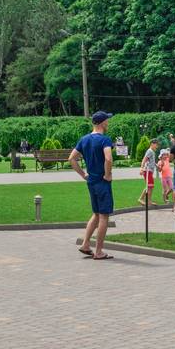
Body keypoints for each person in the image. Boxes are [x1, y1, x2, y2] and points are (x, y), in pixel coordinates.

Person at [69, 111, 115, 260]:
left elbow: (72, 159)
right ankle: (99, 251)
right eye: (107, 120)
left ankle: (85, 244)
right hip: (102, 182)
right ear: (102, 123)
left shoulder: (84, 139)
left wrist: (84, 175)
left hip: (91, 182)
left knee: (96, 214)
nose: (108, 122)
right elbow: (108, 159)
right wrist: (107, 175)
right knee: (103, 216)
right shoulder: (105, 140)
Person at [137, 138, 161, 207]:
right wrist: (141, 168)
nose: (157, 146)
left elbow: (151, 161)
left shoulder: (152, 152)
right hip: (147, 171)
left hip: (149, 171)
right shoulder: (150, 151)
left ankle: (147, 200)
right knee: (150, 186)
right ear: (152, 144)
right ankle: (143, 200)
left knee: (150, 186)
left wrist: (157, 166)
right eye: (156, 145)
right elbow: (144, 159)